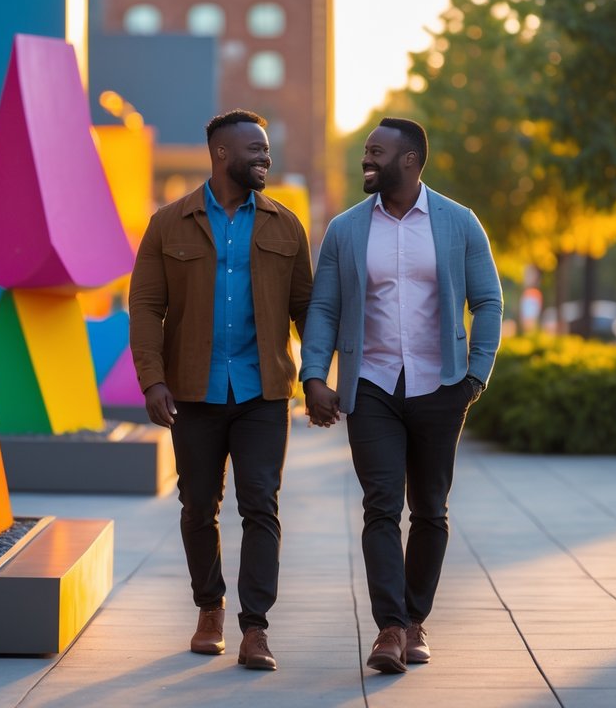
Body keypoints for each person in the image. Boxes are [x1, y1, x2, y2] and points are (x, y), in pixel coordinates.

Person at [300, 117, 502, 674]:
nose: (366, 160)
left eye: (376, 152)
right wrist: (315, 374)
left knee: (431, 510)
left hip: (442, 385)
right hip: (373, 386)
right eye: (366, 151)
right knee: (381, 506)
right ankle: (390, 628)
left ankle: (416, 620)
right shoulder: (345, 230)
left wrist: (475, 376)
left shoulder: (459, 223)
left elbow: (488, 301)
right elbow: (324, 307)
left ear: (410, 161)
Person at [129, 109, 313, 672]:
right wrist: (153, 379)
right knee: (197, 506)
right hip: (193, 393)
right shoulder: (168, 223)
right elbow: (146, 307)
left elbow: (307, 309)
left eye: (266, 149)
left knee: (261, 505)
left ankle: (255, 628)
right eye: (255, 149)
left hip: (263, 392)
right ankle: (210, 608)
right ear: (221, 154)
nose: (265, 158)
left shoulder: (285, 224)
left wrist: (321, 378)